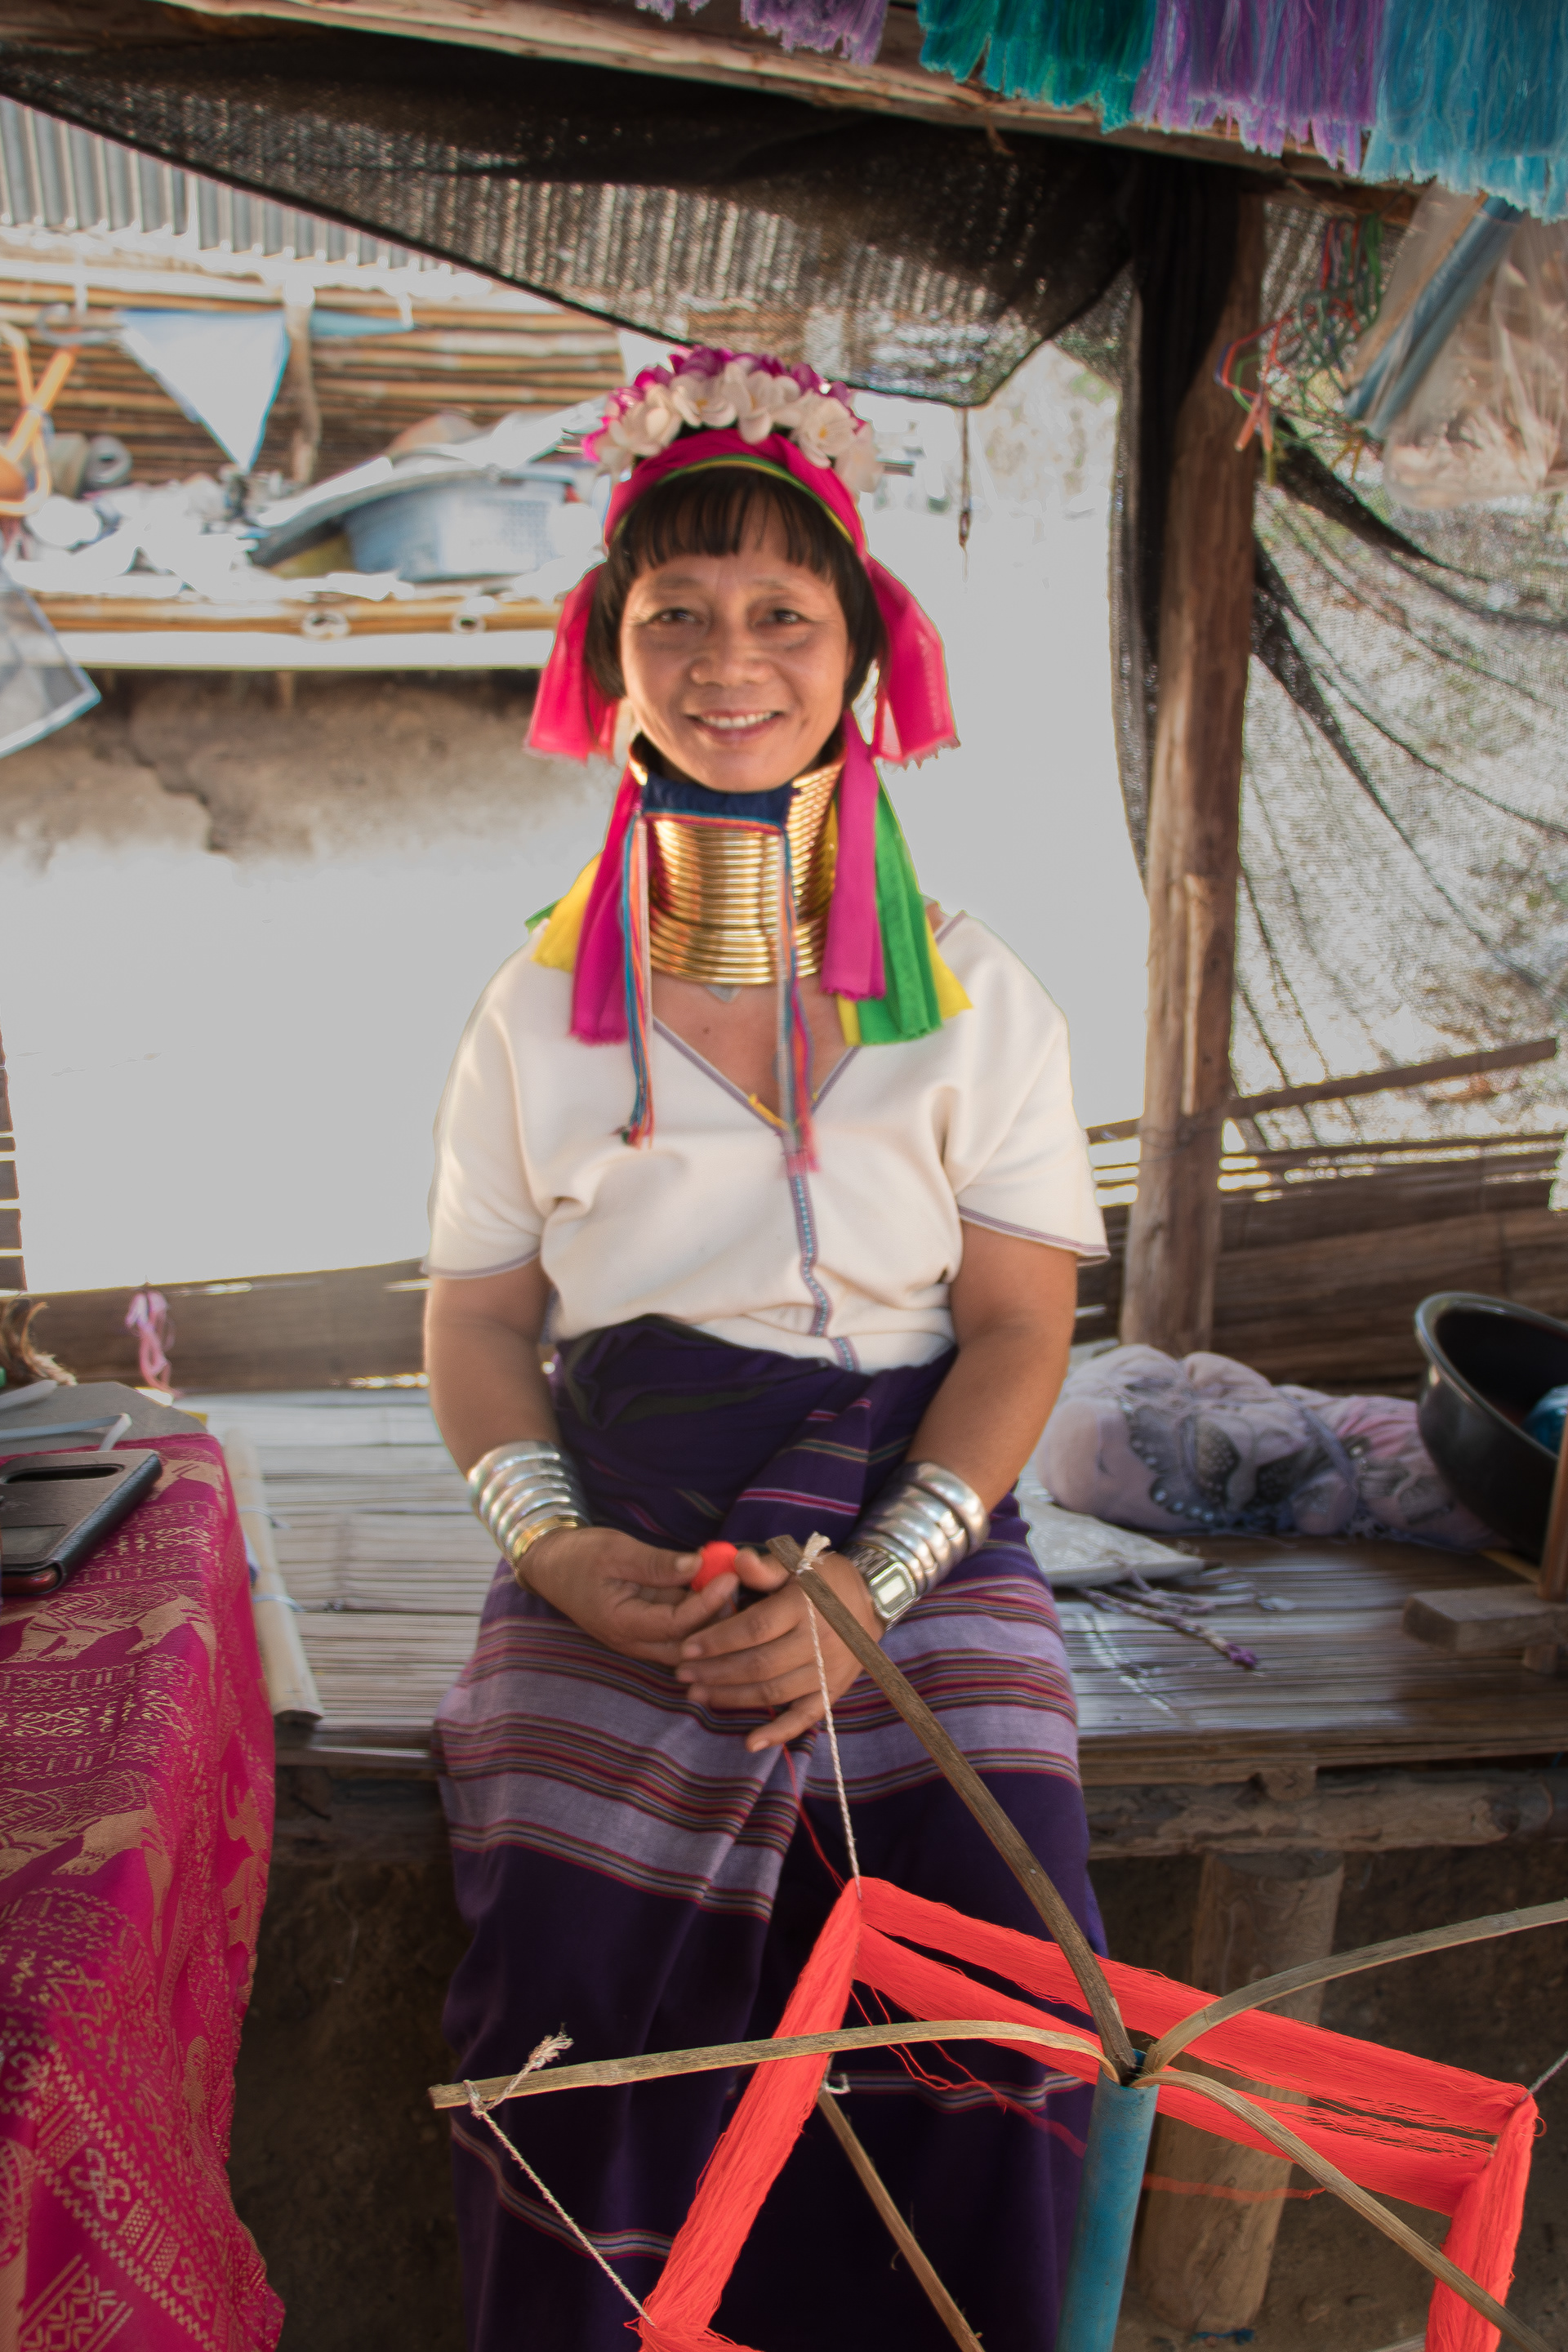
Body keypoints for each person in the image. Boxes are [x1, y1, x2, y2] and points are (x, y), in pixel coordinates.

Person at [424, 350, 1109, 2352]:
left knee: (994, 1965)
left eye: (784, 615)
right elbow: (474, 1318)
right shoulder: (528, 1011)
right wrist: (550, 1548)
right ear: (610, 659)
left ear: (864, 653)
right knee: (566, 1981)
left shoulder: (978, 997)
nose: (732, 661)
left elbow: (1015, 1325)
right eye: (677, 616)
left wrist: (881, 1591)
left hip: (917, 1508)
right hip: (621, 1504)